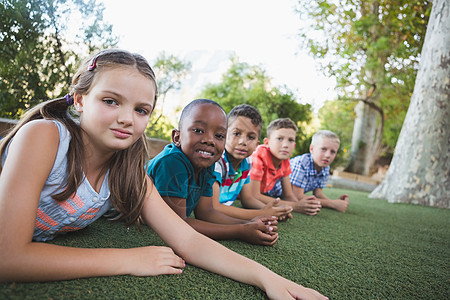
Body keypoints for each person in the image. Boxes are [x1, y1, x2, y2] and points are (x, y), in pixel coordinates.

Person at [0, 49, 327, 300]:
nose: (127, 118)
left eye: (141, 110)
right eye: (111, 101)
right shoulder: (45, 137)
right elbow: (8, 257)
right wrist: (127, 260)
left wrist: (267, 278)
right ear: (81, 98)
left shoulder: (126, 169)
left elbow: (187, 239)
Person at [147, 99, 279, 246]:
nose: (210, 140)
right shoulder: (172, 162)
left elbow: (207, 212)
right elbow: (177, 224)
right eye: (198, 130)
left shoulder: (207, 164)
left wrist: (248, 223)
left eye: (219, 136)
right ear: (177, 137)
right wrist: (240, 230)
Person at [212, 104, 293, 221]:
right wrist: (262, 214)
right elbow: (214, 207)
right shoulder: (217, 161)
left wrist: (272, 210)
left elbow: (247, 198)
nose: (242, 142)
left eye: (250, 137)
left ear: (257, 144)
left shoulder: (247, 163)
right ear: (224, 135)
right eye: (236, 133)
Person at [247, 118, 322, 216]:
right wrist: (295, 206)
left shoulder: (285, 160)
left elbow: (288, 195)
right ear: (267, 142)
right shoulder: (258, 156)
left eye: (290, 140)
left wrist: (302, 205)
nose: (286, 145)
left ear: (294, 146)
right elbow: (254, 195)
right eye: (279, 139)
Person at [270, 130, 349, 213]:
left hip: (283, 198)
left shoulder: (325, 167)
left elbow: (318, 193)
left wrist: (336, 202)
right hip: (271, 194)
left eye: (332, 152)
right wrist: (331, 204)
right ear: (311, 149)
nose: (328, 155)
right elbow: (297, 196)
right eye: (323, 149)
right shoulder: (302, 163)